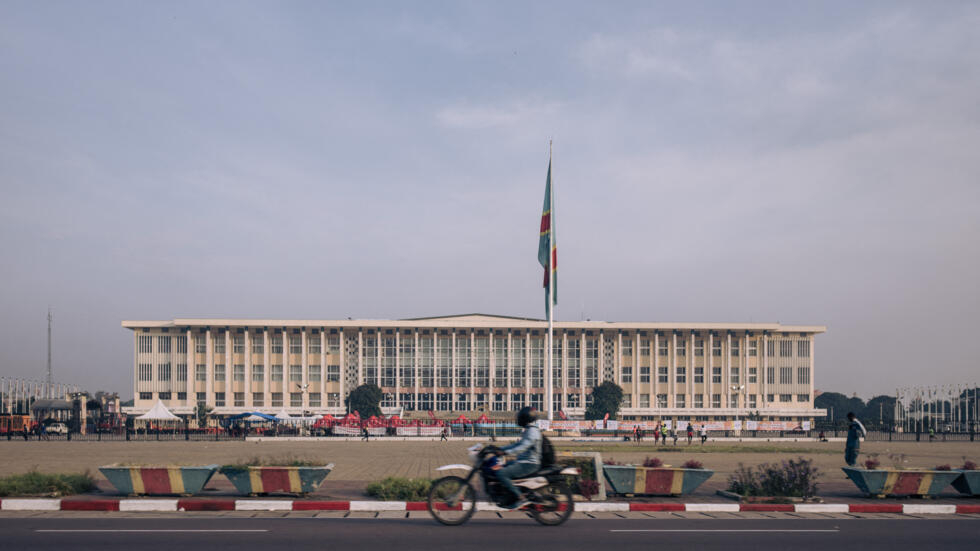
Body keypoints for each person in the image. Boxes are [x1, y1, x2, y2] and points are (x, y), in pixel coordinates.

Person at [493, 406, 542, 510]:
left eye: (521, 417)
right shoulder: (529, 430)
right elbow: (516, 445)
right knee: (501, 467)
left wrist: (505, 452)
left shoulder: (532, 432)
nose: (518, 419)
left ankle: (521, 498)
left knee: (501, 473)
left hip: (529, 464)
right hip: (522, 461)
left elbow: (521, 448)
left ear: (526, 418)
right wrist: (500, 449)